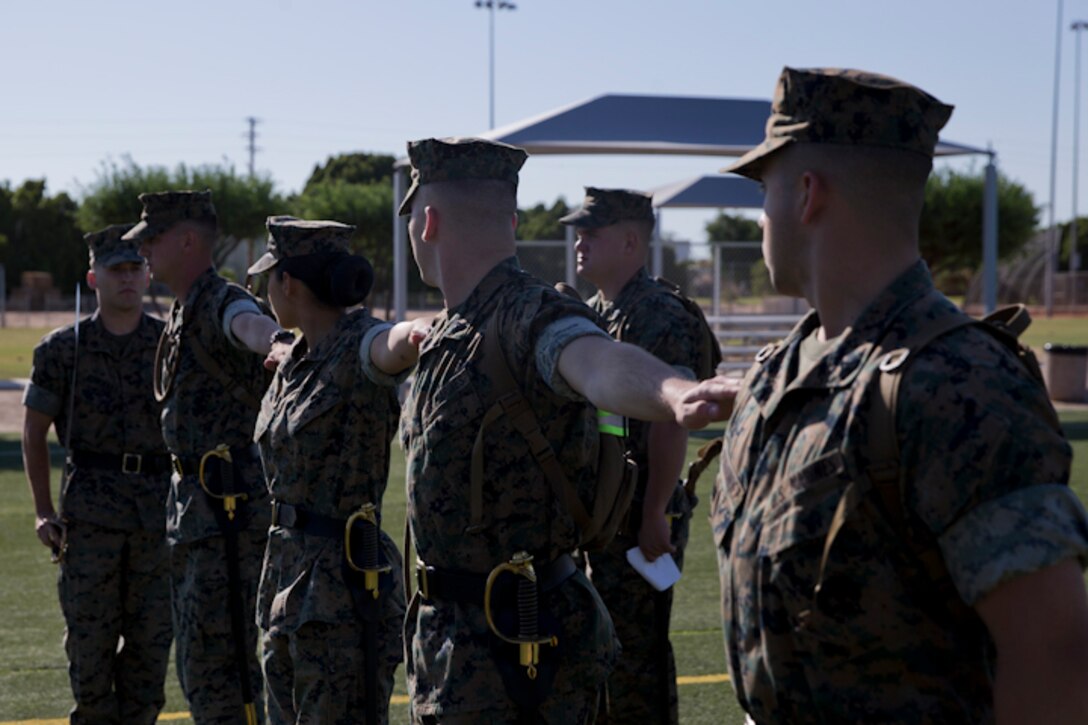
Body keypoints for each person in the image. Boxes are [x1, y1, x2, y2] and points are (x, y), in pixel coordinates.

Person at [713, 66, 1088, 723]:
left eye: (763, 192)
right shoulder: (778, 376)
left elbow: (1054, 654)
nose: (761, 218)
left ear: (807, 194)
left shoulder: (956, 384)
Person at [398, 136, 739, 724]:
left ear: (427, 223)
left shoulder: (529, 312)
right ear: (510, 219)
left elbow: (599, 363)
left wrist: (675, 395)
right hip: (460, 646)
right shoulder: (457, 327)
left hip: (517, 652)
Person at [248, 215, 428, 724]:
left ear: (288, 281)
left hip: (341, 594)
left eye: (270, 276)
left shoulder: (359, 344)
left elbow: (387, 347)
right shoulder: (298, 353)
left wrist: (415, 333)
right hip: (285, 580)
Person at [123, 190, 287, 724]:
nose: (142, 250)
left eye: (152, 239)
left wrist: (276, 342)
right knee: (199, 666)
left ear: (187, 240)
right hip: (196, 516)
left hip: (228, 521)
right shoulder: (181, 308)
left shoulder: (220, 300)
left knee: (225, 670)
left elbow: (250, 325)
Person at [560, 187, 715, 723]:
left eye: (591, 233)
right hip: (607, 512)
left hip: (638, 514)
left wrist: (654, 513)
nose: (578, 242)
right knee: (605, 652)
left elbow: (673, 418)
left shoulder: (658, 313)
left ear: (630, 241)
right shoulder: (600, 310)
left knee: (635, 659)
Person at [22, 223, 173, 724]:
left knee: (149, 661)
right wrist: (43, 512)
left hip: (157, 521)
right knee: (90, 659)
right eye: (117, 270)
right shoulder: (63, 349)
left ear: (148, 275)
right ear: (94, 278)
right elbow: (34, 431)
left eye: (136, 268)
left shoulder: (169, 344)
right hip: (88, 523)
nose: (128, 279)